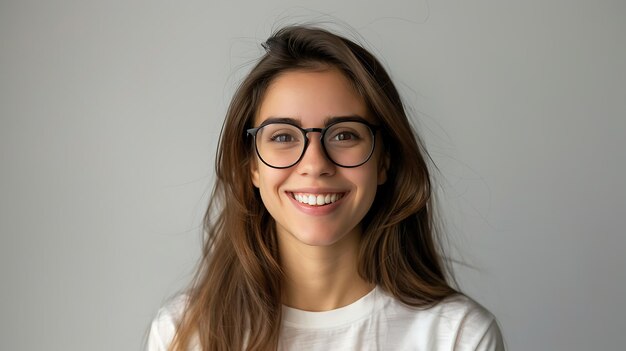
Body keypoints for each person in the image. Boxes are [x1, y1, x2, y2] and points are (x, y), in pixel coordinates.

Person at [147, 25, 505, 351]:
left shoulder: (458, 336)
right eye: (283, 136)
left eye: (345, 134)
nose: (315, 164)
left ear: (384, 161)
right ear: (252, 165)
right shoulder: (183, 333)